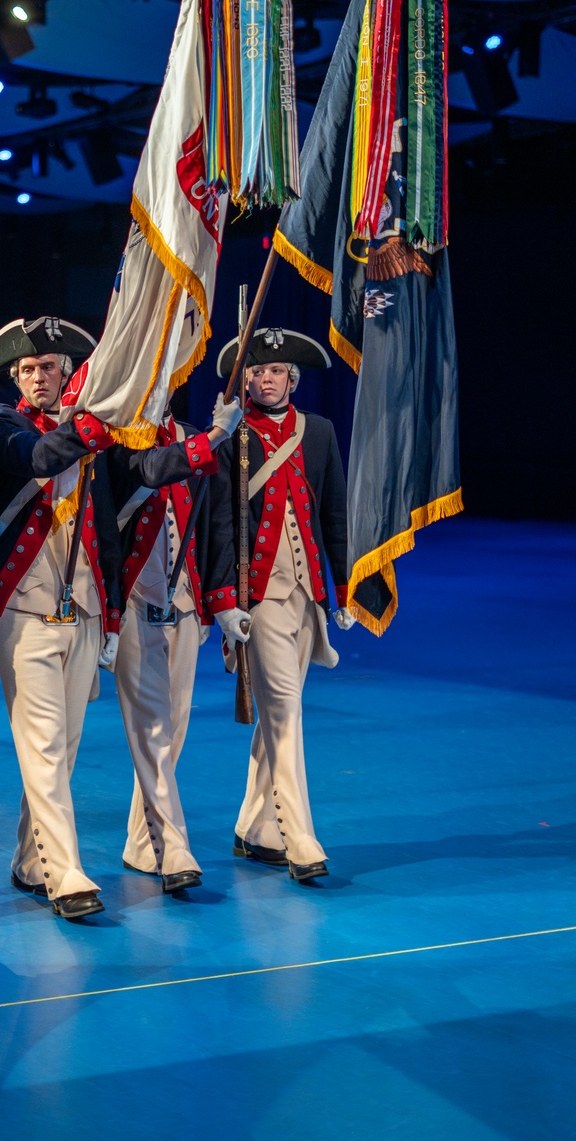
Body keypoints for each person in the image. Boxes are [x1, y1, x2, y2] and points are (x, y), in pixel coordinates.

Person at [0, 316, 121, 921]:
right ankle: (64, 872)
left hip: (84, 605)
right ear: (17, 376)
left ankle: (30, 861)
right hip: (25, 608)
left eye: (52, 368)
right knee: (40, 743)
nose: (41, 377)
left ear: (68, 376)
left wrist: (110, 615)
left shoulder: (87, 434)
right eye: (30, 369)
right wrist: (90, 425)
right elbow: (35, 458)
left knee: (63, 747)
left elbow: (107, 526)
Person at [217, 327, 353, 884]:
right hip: (261, 596)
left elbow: (335, 517)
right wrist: (226, 598)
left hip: (307, 594)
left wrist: (341, 590)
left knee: (276, 711)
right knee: (286, 711)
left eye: (275, 372)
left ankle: (255, 827)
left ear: (292, 380)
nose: (265, 379)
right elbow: (221, 523)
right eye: (256, 371)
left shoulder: (316, 432)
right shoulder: (232, 433)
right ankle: (298, 835)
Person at [108, 391, 244, 891]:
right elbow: (151, 469)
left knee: (175, 724)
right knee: (151, 727)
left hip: (184, 602)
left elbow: (217, 525)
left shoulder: (194, 438)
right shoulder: (118, 439)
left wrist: (219, 601)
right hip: (135, 599)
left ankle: (141, 842)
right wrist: (215, 438)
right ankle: (172, 847)